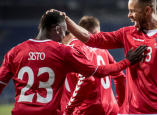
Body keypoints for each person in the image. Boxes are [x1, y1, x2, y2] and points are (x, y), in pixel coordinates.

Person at [65, 0, 157, 115]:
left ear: (147, 10)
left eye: (133, 11)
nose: (129, 15)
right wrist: (66, 20)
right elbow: (92, 39)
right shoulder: (127, 34)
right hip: (131, 111)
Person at [0, 10, 146, 115]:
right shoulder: (63, 51)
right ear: (57, 29)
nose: (65, 36)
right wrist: (127, 61)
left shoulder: (15, 51)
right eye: (64, 32)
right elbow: (99, 72)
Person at [61, 16, 126, 115]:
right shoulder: (103, 49)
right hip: (111, 109)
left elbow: (86, 80)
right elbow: (120, 76)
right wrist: (121, 106)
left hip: (87, 110)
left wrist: (69, 110)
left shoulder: (74, 49)